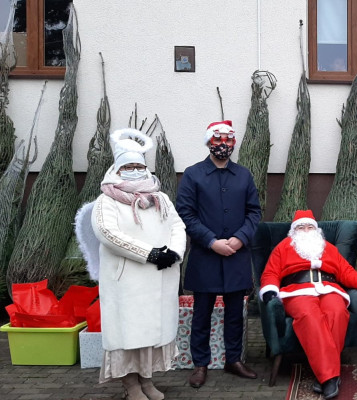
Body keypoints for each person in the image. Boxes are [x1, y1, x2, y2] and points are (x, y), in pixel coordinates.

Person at [84, 128, 186, 400]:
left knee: (152, 332)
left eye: (138, 166)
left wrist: (173, 253)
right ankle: (130, 385)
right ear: (117, 169)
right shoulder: (106, 201)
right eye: (128, 166)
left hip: (159, 278)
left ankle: (147, 380)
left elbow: (177, 226)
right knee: (129, 333)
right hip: (126, 280)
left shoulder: (160, 198)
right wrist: (150, 253)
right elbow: (107, 234)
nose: (134, 170)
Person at [175, 120, 262, 388]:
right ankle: (200, 364)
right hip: (206, 256)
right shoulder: (192, 174)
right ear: (208, 141)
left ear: (234, 143)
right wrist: (211, 241)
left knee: (236, 313)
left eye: (228, 140)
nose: (223, 144)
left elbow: (254, 212)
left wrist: (239, 239)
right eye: (217, 139)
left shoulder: (244, 175)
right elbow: (185, 214)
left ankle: (233, 360)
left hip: (236, 255)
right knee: (202, 313)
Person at [259, 210, 357, 400]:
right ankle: (329, 377)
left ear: (316, 230)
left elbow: (346, 271)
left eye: (309, 227)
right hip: (297, 291)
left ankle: (324, 374)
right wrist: (270, 289)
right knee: (309, 316)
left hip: (330, 289)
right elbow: (270, 273)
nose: (306, 231)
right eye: (301, 227)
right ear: (293, 231)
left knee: (338, 312)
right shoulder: (283, 247)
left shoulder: (328, 247)